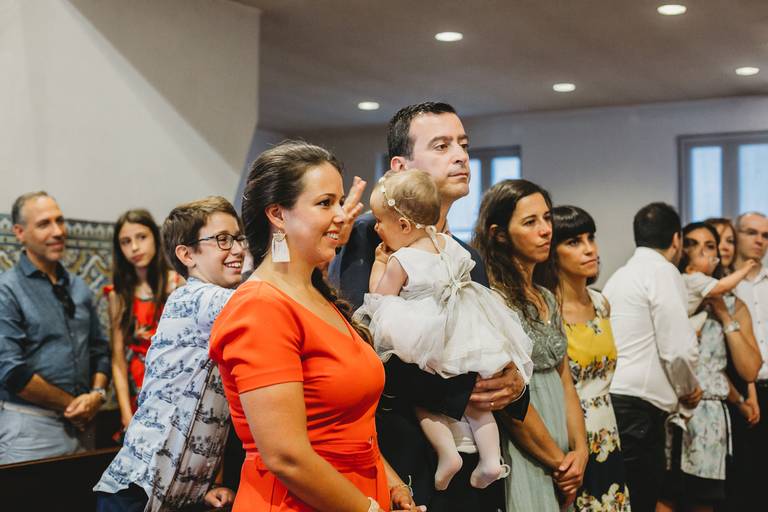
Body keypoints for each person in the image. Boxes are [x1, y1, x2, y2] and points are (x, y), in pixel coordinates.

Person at [330, 101, 529, 510]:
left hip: (477, 469)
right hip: (408, 462)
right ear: (401, 167)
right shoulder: (370, 239)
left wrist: (514, 386)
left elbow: (490, 334)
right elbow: (366, 348)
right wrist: (459, 391)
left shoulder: (464, 255)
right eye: (441, 146)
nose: (460, 155)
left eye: (463, 144)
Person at [209, 141, 423, 512]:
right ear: (278, 214)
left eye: (340, 202)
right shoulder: (260, 307)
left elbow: (352, 427)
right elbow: (286, 456)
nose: (341, 215)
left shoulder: (316, 295)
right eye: (325, 203)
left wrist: (390, 484)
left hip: (356, 493)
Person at [354, 170, 533, 491]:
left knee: (428, 405)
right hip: (465, 328)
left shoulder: (402, 259)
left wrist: (381, 264)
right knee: (477, 402)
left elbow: (379, 300)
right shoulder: (451, 246)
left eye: (380, 221)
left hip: (422, 336)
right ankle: (491, 459)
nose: (376, 227)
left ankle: (447, 453)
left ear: (404, 226)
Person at [94, 196, 244, 511]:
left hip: (177, 492)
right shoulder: (191, 296)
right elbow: (268, 303)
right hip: (134, 491)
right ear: (186, 254)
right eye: (222, 239)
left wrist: (209, 483)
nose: (239, 249)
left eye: (239, 238)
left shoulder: (218, 302)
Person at [474, 180, 589, 512]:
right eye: (530, 222)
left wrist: (580, 451)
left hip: (563, 445)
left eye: (547, 218)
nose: (545, 231)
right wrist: (559, 463)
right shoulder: (493, 299)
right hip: (526, 445)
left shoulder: (548, 297)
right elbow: (508, 406)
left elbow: (565, 381)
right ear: (499, 234)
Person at [602, 202, 702, 512]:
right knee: (642, 499)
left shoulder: (620, 276)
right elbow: (678, 348)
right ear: (677, 240)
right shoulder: (663, 271)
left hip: (615, 400)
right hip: (640, 407)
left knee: (622, 500)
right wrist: (688, 389)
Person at [0, 191, 110, 464]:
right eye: (44, 224)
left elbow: (100, 350)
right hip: (30, 429)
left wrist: (96, 396)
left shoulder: (78, 286)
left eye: (60, 221)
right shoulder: (7, 289)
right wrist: (75, 406)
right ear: (19, 232)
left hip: (85, 424)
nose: (58, 231)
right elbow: (10, 370)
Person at [657, 222, 760, 512]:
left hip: (708, 422)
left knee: (704, 500)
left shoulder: (732, 302)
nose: (700, 252)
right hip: (668, 411)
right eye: (692, 244)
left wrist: (725, 317)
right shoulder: (670, 294)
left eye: (710, 246)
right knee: (664, 495)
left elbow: (747, 370)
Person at [539, 205, 631, 511]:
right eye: (574, 242)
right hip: (569, 434)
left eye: (590, 238)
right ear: (553, 252)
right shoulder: (546, 309)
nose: (590, 249)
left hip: (608, 428)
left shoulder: (601, 302)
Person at [106, 209, 181, 436]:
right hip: (139, 390)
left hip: (174, 385)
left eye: (141, 237)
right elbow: (118, 360)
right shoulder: (118, 294)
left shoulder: (176, 282)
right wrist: (126, 415)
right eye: (126, 242)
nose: (135, 248)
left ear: (155, 237)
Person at [731, 211, 768, 509]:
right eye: (751, 232)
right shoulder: (724, 284)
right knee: (743, 476)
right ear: (736, 234)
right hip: (741, 389)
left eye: (765, 235)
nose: (759, 240)